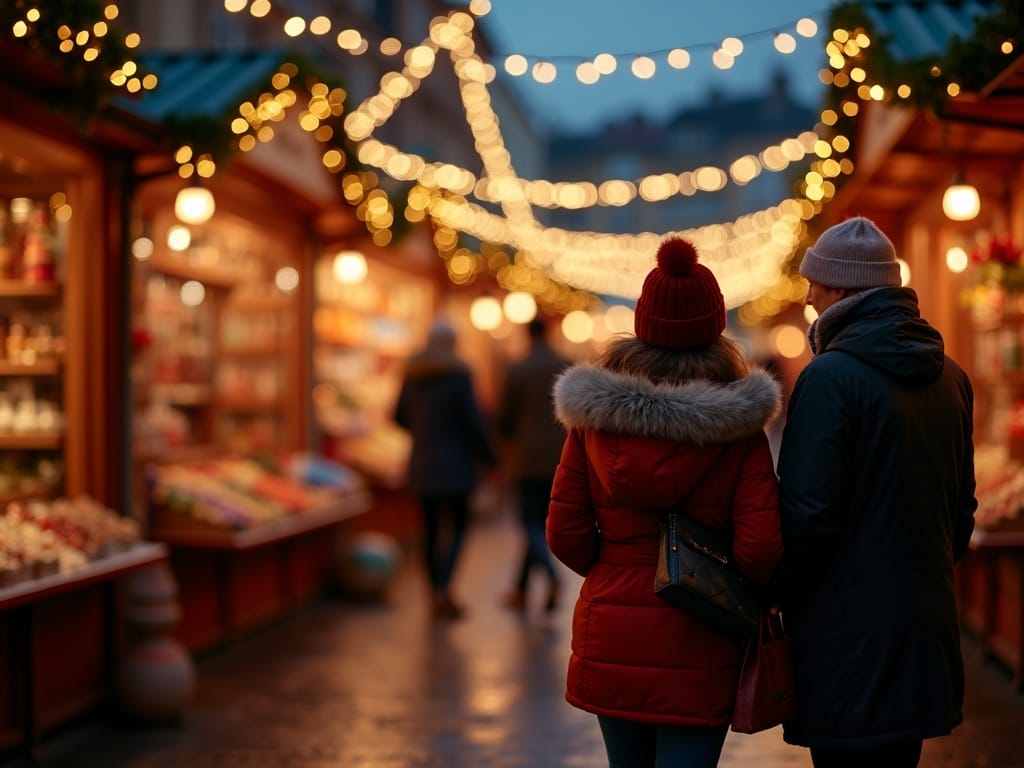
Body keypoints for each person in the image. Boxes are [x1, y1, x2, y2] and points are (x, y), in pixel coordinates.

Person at [546, 236, 783, 768]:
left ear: (642, 323)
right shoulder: (740, 428)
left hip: (614, 629)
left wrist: (618, 570)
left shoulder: (592, 422)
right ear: (716, 326)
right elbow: (761, 546)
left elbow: (564, 532)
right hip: (703, 629)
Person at [775, 216, 977, 768]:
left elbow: (805, 518)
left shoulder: (829, 377)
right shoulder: (952, 377)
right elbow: (961, 513)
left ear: (843, 286)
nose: (809, 295)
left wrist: (780, 592)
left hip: (844, 644)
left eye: (816, 281)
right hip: (921, 633)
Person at [394, 318, 498, 620]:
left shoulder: (412, 374)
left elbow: (398, 416)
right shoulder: (458, 375)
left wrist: (423, 431)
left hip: (421, 464)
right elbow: (473, 422)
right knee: (459, 527)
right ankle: (443, 589)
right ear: (453, 343)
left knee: (428, 530)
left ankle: (434, 593)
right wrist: (490, 459)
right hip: (456, 466)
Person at [496, 315, 571, 614]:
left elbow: (504, 421)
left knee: (528, 522)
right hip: (561, 460)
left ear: (527, 335)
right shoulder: (566, 366)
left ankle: (552, 576)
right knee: (538, 524)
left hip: (527, 460)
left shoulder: (518, 369)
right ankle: (520, 590)